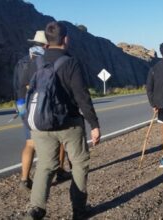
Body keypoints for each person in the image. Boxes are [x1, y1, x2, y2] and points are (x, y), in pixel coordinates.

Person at [24, 22, 101, 220]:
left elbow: (28, 89)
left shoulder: (35, 62)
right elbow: (82, 97)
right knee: (79, 163)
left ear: (47, 41)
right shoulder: (71, 63)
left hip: (41, 124)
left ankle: (36, 209)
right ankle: (78, 210)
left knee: (45, 166)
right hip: (70, 124)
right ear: (65, 39)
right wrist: (94, 124)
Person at [13, 31, 70, 192]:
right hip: (44, 105)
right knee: (59, 140)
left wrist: (19, 105)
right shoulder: (46, 60)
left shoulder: (23, 61)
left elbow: (17, 84)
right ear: (46, 45)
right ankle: (59, 170)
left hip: (24, 104)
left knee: (30, 143)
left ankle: (25, 179)